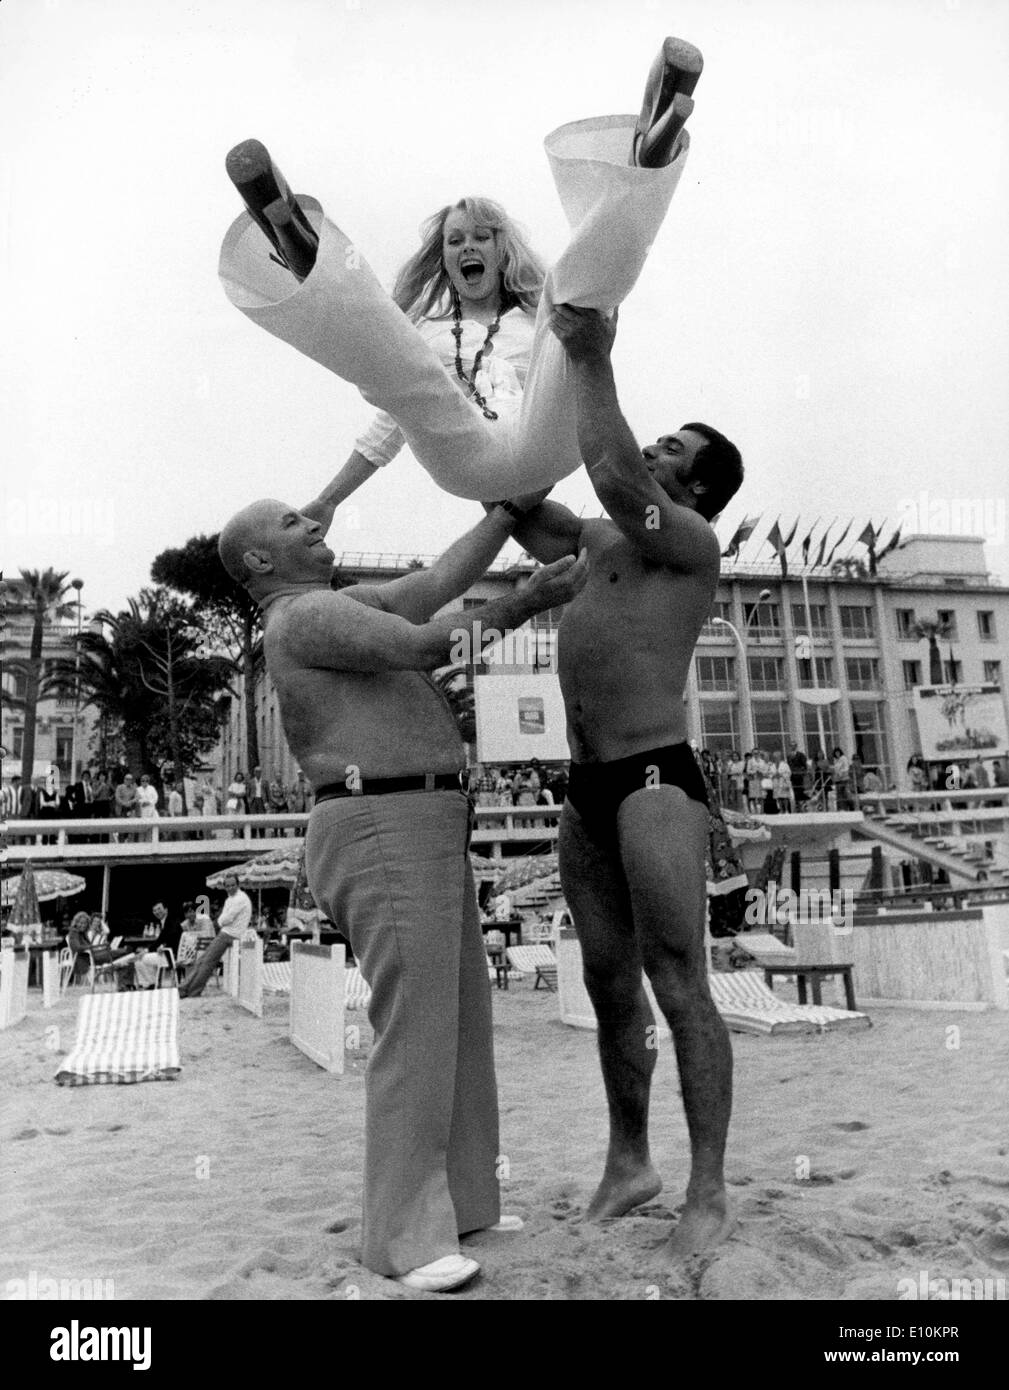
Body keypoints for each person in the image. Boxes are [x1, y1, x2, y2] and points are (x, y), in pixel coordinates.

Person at [215, 491, 585, 1290]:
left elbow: (441, 577)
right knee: (416, 1026)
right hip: (378, 816)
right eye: (292, 523)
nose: (316, 522)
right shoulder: (303, 618)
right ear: (259, 562)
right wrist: (527, 601)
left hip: (414, 814)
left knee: (457, 1019)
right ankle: (404, 1241)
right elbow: (423, 645)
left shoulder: (337, 605)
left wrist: (504, 511)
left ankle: (465, 1201)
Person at [503, 300, 743, 1259]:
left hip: (654, 776)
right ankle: (630, 1160)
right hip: (585, 785)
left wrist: (591, 353)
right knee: (608, 983)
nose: (656, 443)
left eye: (675, 445)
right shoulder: (604, 539)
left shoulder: (684, 539)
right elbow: (526, 508)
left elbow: (610, 475)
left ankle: (710, 1190)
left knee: (678, 979)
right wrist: (494, 413)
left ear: (695, 484)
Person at [219, 38, 703, 506]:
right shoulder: (423, 334)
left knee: (572, 302)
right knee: (393, 353)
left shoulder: (536, 320)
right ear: (444, 258)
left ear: (501, 250)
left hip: (548, 443)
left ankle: (642, 164)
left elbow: (585, 372)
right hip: (464, 461)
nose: (467, 246)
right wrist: (328, 502)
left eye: (481, 236)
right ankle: (302, 247)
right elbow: (386, 431)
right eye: (455, 240)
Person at [178, 873, 255, 997]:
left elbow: (226, 919)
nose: (230, 888)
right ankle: (186, 988)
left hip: (230, 934)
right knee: (202, 960)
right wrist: (222, 920)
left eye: (233, 885)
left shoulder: (240, 899)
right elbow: (223, 918)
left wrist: (221, 921)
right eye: (228, 886)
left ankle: (190, 990)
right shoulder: (230, 899)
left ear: (238, 884)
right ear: (225, 886)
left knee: (207, 962)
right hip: (226, 933)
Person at [133, 901, 184, 988]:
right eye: (155, 910)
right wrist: (147, 950)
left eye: (159, 909)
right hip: (168, 953)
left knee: (138, 960)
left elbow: (173, 937)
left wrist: (164, 946)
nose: (157, 912)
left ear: (166, 910)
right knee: (142, 957)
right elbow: (160, 940)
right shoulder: (167, 921)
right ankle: (152, 982)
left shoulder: (171, 921)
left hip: (171, 955)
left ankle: (150, 983)